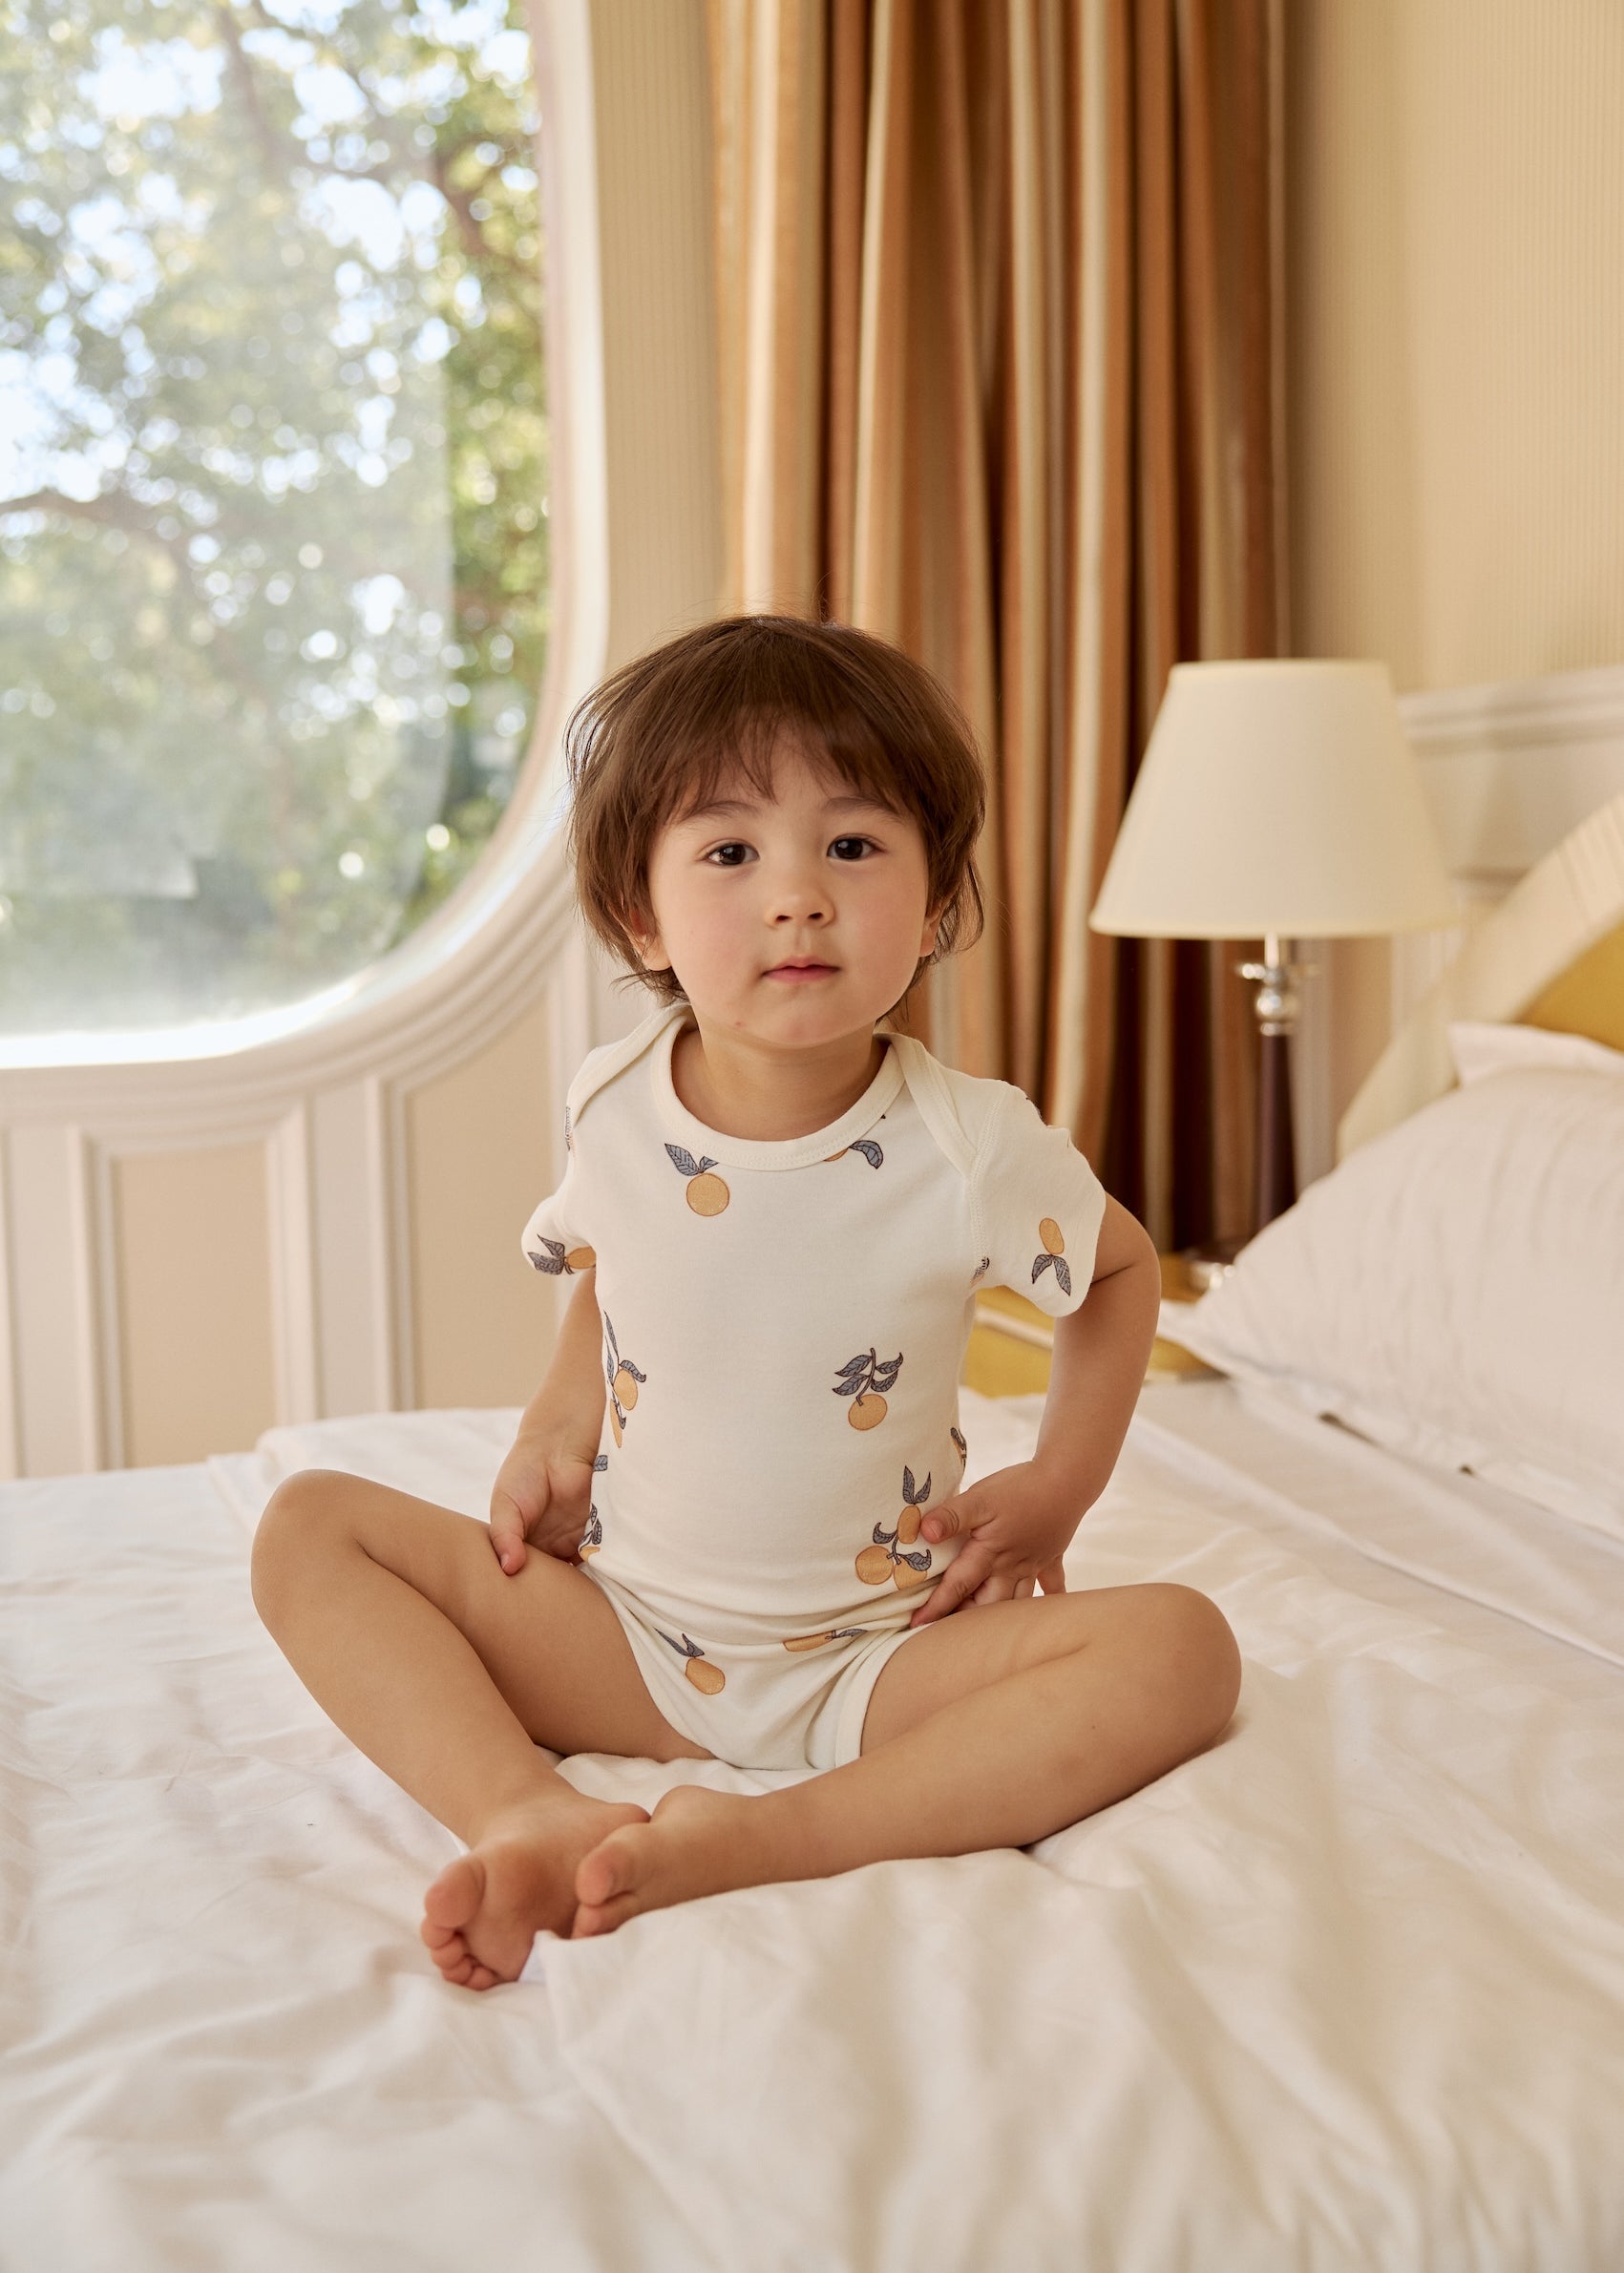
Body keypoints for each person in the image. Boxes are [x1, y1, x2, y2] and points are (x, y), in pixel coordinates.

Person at [251, 615, 1241, 1989]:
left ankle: (771, 1836)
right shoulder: (612, 1101)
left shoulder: (970, 1141)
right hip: (637, 1636)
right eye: (730, 852)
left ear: (937, 899)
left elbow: (1120, 1271)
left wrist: (1060, 1485)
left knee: (1181, 1649)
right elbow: (612, 1264)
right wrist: (559, 1419)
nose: (797, 895)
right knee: (309, 1524)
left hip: (884, 1656)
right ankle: (521, 1808)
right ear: (639, 912)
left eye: (852, 845)